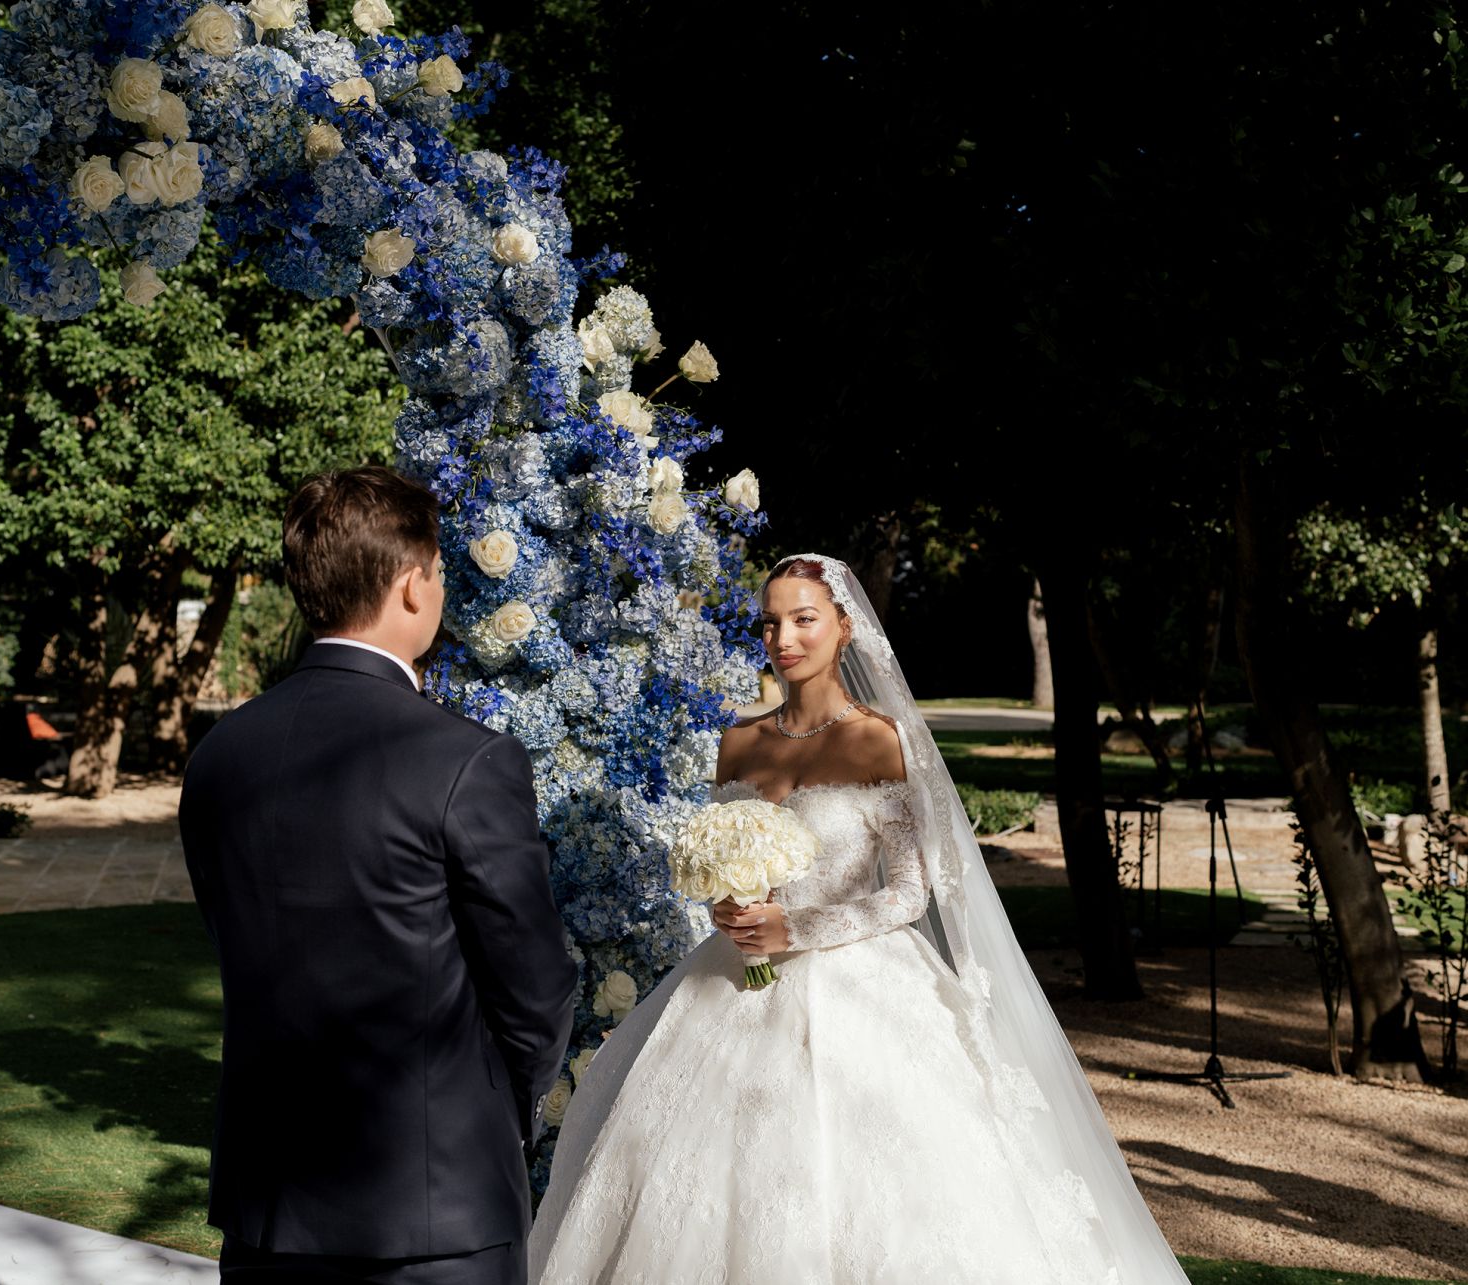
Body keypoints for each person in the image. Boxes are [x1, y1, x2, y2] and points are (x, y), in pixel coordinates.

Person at [528, 553, 1191, 1284]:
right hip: (731, 985)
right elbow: (724, 861)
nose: (784, 638)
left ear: (844, 627)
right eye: (771, 622)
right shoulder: (738, 742)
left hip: (858, 984)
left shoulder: (879, 739)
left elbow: (909, 893)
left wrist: (797, 931)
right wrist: (726, 903)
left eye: (803, 619)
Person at [180, 465, 578, 1284]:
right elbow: (536, 990)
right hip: (437, 1215)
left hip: (270, 1206)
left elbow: (234, 940)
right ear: (410, 585)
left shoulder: (218, 755)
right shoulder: (467, 760)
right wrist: (505, 1114)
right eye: (437, 570)